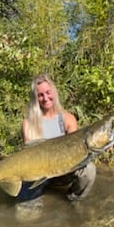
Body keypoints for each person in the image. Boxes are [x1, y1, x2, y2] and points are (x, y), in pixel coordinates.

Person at [17, 74, 96, 203]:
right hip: (36, 174)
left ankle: (73, 201)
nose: (45, 98)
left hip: (61, 172)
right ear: (35, 99)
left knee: (89, 169)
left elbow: (76, 152)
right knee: (25, 217)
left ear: (54, 92)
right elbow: (29, 155)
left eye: (48, 92)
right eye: (40, 95)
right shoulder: (28, 123)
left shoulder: (68, 119)